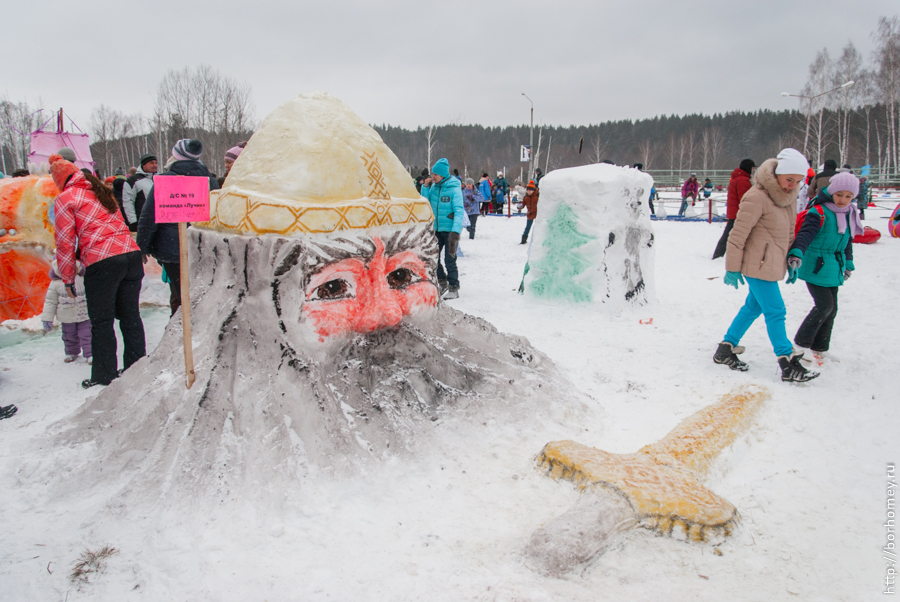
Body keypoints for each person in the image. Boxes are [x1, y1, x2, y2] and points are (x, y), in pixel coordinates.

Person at [713, 148, 819, 383]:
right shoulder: (756, 196)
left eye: (798, 181)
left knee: (753, 307)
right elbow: (737, 234)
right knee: (775, 310)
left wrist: (791, 259)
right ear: (777, 173)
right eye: (789, 179)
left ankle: (725, 348)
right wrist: (732, 267)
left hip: (772, 263)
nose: (792, 185)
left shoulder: (788, 198)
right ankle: (786, 361)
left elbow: (790, 233)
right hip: (755, 264)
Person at [49, 154, 146, 389]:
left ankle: (104, 375)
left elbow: (64, 242)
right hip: (130, 256)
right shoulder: (102, 192)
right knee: (130, 316)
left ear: (60, 180)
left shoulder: (66, 198)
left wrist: (67, 277)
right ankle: (138, 367)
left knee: (102, 322)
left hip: (103, 263)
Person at [787, 172, 862, 365]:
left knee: (832, 308)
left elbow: (847, 242)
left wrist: (848, 263)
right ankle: (800, 344)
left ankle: (820, 348)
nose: (843, 200)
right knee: (824, 306)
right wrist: (797, 252)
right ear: (831, 192)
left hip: (834, 266)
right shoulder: (818, 212)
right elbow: (805, 235)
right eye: (839, 195)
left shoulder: (849, 213)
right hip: (816, 266)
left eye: (848, 196)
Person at [137, 139, 219, 316]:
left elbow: (149, 215)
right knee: (200, 291)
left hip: (172, 247)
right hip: (202, 246)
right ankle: (192, 328)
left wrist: (143, 245)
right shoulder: (209, 180)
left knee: (179, 293)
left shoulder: (166, 180)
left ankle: (181, 329)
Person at [419, 158, 463, 299]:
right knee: (433, 257)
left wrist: (456, 231)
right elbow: (425, 203)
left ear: (442, 175)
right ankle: (442, 280)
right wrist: (425, 188)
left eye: (435, 174)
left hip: (451, 231)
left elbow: (459, 210)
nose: (433, 177)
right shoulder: (433, 187)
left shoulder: (454, 189)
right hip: (437, 229)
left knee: (450, 260)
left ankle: (453, 287)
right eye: (432, 174)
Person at [41, 259, 91, 363]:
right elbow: (50, 301)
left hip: (84, 314)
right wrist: (47, 318)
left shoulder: (83, 279)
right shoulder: (55, 283)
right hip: (66, 316)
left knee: (87, 335)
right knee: (69, 336)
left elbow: (92, 295)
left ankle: (90, 353)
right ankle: (71, 352)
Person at [713, 159, 755, 259]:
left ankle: (719, 254)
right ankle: (719, 254)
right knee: (729, 235)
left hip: (734, 212)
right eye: (752, 168)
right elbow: (745, 198)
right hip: (739, 213)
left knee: (728, 234)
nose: (753, 170)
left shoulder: (737, 178)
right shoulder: (743, 180)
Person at [122, 153, 157, 232]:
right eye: (151, 163)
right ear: (144, 165)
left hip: (159, 221)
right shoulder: (133, 180)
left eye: (155, 163)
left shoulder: (159, 178)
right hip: (143, 221)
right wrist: (133, 221)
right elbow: (128, 201)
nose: (154, 165)